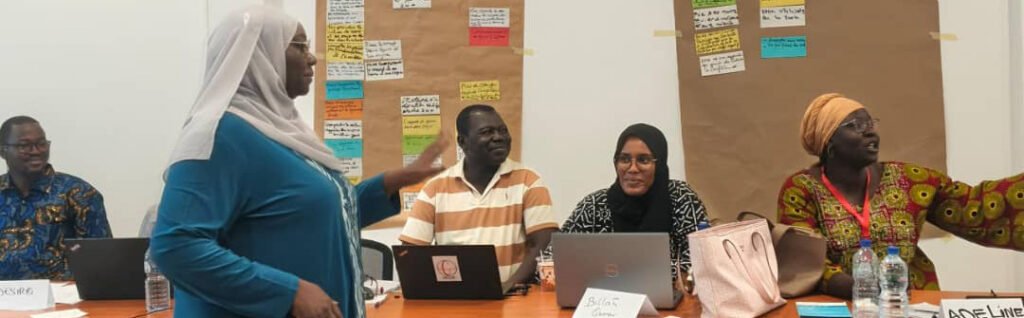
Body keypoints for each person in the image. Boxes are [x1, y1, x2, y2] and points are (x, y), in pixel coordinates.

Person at [150, 7, 446, 318]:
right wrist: (288, 291)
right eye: (299, 45)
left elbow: (309, 216)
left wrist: (391, 181)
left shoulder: (279, 132)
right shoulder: (217, 134)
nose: (313, 57)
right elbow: (176, 248)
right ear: (259, 55)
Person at [777, 93, 1024, 298]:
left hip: (909, 302)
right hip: (837, 306)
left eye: (871, 124)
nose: (871, 133)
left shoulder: (910, 179)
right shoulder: (801, 189)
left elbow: (976, 209)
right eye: (857, 127)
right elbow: (804, 261)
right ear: (828, 141)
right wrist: (860, 288)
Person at [399, 105, 559, 290]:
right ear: (463, 141)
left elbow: (544, 243)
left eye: (503, 131)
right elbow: (409, 253)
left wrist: (510, 285)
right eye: (487, 132)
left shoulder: (528, 181)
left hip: (513, 297)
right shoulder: (435, 188)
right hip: (455, 299)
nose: (498, 137)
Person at [557, 123, 708, 280]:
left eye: (643, 160)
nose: (632, 168)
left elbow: (702, 260)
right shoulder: (595, 205)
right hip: (605, 300)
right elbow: (552, 258)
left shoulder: (681, 198)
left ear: (660, 164)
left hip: (673, 302)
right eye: (624, 159)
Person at [0, 116, 111, 280]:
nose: (36, 151)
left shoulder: (79, 193)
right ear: (3, 151)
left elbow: (102, 258)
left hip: (63, 298)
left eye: (41, 144)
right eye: (25, 146)